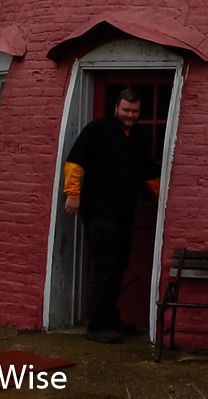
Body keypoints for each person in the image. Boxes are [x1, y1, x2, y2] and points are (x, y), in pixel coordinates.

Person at [64, 88, 160, 343]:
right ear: (116, 108)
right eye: (126, 110)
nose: (130, 115)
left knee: (119, 266)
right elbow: (75, 162)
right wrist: (72, 194)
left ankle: (111, 317)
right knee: (104, 268)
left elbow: (149, 171)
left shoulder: (138, 136)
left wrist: (163, 200)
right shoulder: (97, 130)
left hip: (124, 211)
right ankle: (97, 326)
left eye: (135, 111)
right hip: (98, 210)